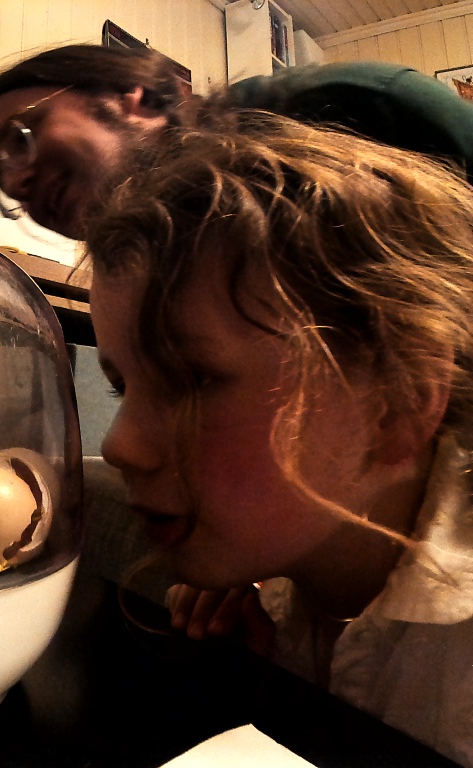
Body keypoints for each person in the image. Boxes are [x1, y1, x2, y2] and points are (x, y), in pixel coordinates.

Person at [81, 110, 473, 766]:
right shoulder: (281, 572)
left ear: (399, 405)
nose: (120, 446)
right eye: (122, 386)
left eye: (193, 379)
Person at [0, 44, 473, 240]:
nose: (19, 185)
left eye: (20, 138)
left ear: (133, 94)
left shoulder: (354, 105)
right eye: (4, 186)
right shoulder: (151, 265)